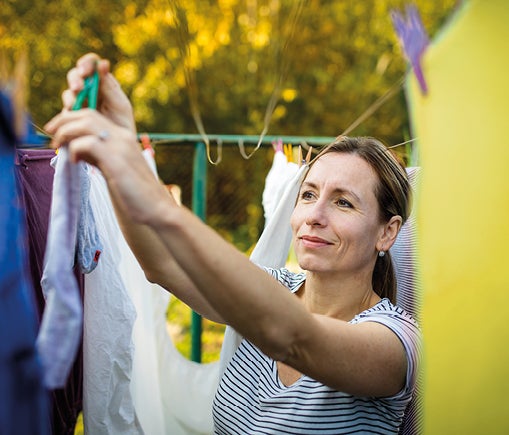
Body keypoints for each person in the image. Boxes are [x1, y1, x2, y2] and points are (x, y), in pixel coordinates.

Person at [44, 53, 421, 434]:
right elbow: (161, 265)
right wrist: (116, 153)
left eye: (343, 202)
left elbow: (292, 336)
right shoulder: (274, 287)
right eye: (308, 195)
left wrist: (152, 195)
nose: (314, 215)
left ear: (387, 232)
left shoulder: (395, 341)